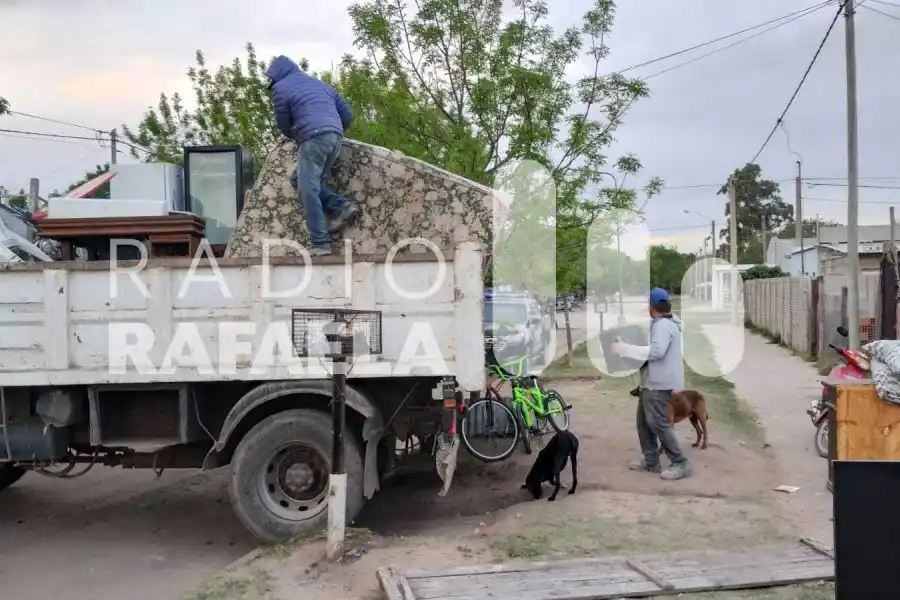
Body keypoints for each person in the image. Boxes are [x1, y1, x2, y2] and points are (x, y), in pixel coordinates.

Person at [266, 55, 359, 256]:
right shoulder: (321, 84)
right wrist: (333, 129)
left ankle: (320, 243)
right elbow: (348, 115)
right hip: (334, 138)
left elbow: (283, 124)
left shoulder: (281, 88)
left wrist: (300, 134)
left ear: (276, 77)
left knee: (306, 191)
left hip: (313, 139)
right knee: (300, 179)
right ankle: (341, 207)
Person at [610, 288, 692, 481]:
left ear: (652, 306)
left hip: (658, 382)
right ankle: (651, 460)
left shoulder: (663, 325)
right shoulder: (665, 323)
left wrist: (624, 348)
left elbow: (656, 351)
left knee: (658, 423)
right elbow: (652, 348)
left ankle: (680, 462)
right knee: (643, 423)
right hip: (652, 381)